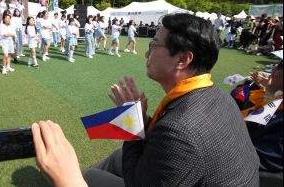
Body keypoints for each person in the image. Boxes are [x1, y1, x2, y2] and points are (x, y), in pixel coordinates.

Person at [32, 13, 260, 187]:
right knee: (117, 158)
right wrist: (140, 119)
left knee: (88, 177)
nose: (146, 53)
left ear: (182, 59)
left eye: (154, 45)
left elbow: (140, 178)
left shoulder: (181, 130)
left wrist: (68, 179)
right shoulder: (216, 95)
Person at [241, 61, 283, 178]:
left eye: (280, 65)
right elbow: (258, 122)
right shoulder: (278, 100)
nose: (274, 66)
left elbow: (256, 159)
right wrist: (270, 93)